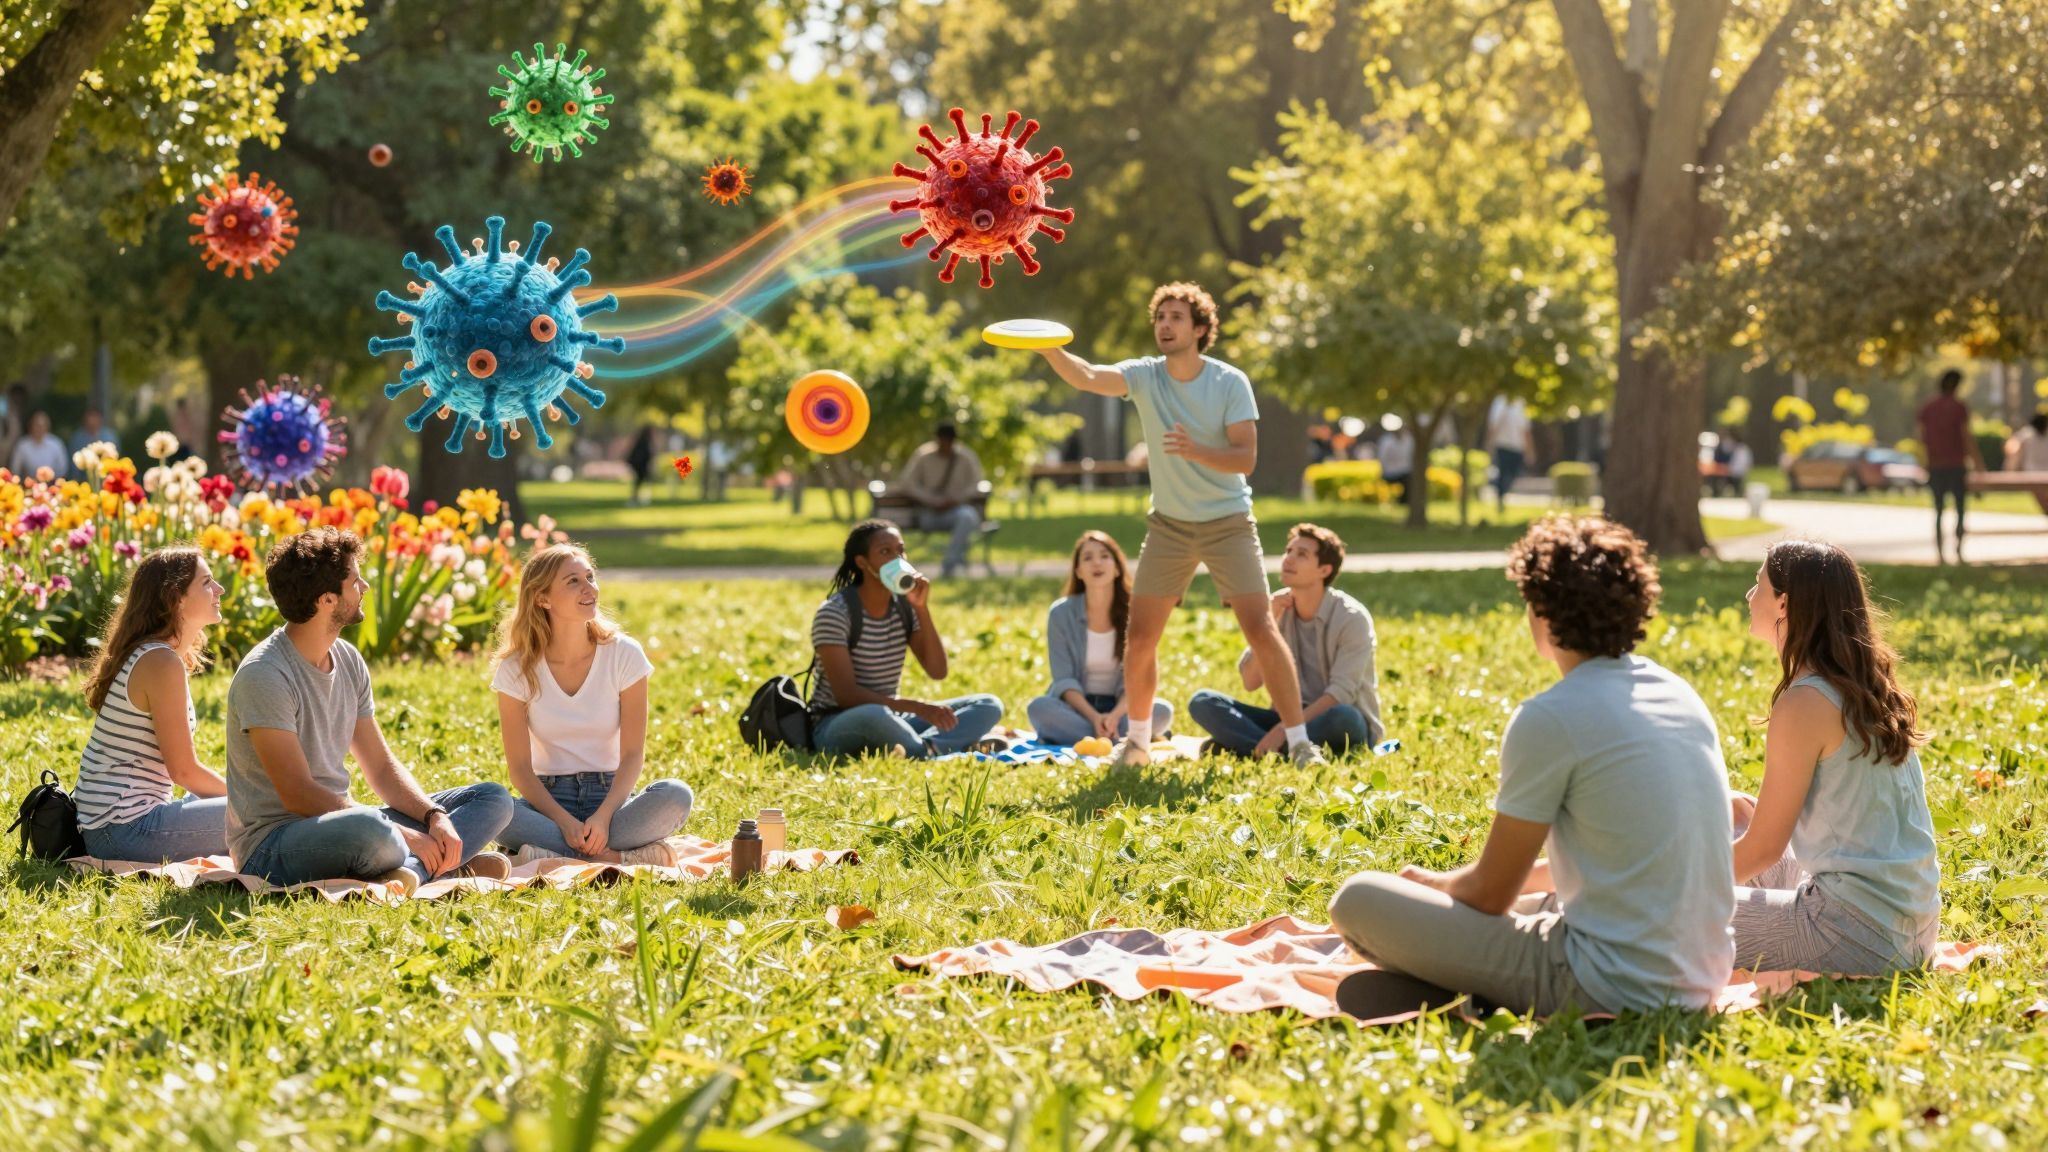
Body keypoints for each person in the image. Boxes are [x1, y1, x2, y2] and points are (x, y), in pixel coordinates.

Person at [1328, 516, 1734, 1016]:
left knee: (1357, 899)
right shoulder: (1678, 692)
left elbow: (1490, 893)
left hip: (1609, 985)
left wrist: (1436, 886)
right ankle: (1467, 995)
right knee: (1519, 909)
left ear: (1542, 612)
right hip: (1702, 978)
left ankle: (1473, 999)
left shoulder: (1551, 717)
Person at [1031, 282, 1323, 767]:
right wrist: (1048, 348)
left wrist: (1195, 451)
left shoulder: (1229, 382)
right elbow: (1085, 376)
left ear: (1200, 329)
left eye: (1175, 318)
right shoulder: (1146, 376)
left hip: (1228, 522)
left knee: (1260, 629)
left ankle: (1300, 744)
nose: (1164, 326)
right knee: (1141, 638)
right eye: (1159, 317)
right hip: (1169, 526)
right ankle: (1139, 743)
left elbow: (1244, 459)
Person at [225, 528, 513, 894]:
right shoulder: (264, 674)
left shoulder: (347, 659)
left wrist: (432, 817)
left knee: (493, 799)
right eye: (355, 580)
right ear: (327, 600)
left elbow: (378, 765)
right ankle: (436, 865)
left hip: (343, 822)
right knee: (374, 832)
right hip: (274, 845)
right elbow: (296, 794)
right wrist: (403, 833)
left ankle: (416, 868)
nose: (365, 587)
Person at [1727, 541, 1940, 975]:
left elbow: (1760, 852)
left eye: (1758, 585)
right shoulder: (1860, 685)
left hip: (1853, 935)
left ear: (1783, 602)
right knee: (1729, 814)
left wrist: (1666, 885)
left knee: (1648, 915)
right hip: (1911, 928)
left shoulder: (1804, 702)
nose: (1751, 596)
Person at [491, 544, 694, 866]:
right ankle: (617, 857)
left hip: (611, 801)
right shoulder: (516, 668)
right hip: (548, 802)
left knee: (676, 795)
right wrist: (564, 822)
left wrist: (602, 818)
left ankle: (554, 856)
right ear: (542, 599)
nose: (590, 588)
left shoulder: (623, 654)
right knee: (494, 807)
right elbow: (519, 770)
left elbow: (631, 755)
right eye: (573, 581)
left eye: (590, 577)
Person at [73, 548, 230, 862]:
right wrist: (252, 802)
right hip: (123, 830)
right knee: (266, 815)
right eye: (206, 582)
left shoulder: (155, 655)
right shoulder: (159, 661)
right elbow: (184, 771)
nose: (219, 590)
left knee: (261, 807)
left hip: (112, 825)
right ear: (177, 598)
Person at [807, 519, 1003, 758]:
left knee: (988, 704)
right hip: (838, 723)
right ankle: (935, 749)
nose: (897, 559)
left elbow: (937, 671)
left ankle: (927, 748)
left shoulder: (904, 608)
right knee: (874, 714)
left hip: (893, 715)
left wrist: (921, 608)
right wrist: (918, 707)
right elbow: (847, 696)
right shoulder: (835, 613)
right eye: (885, 552)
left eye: (900, 550)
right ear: (862, 562)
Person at [1189, 523, 1382, 757]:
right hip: (1287, 717)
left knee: (1345, 718)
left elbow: (1340, 694)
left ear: (1324, 570)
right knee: (1203, 702)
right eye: (1288, 551)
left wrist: (1284, 730)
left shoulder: (1352, 618)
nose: (1288, 559)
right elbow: (1250, 682)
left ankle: (1249, 747)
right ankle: (1277, 751)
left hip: (1337, 720)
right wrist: (1269, 620)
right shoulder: (1277, 610)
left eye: (1301, 554)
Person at [1024, 531, 1174, 746]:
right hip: (1077, 708)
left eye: (1104, 556)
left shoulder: (1136, 612)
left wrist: (1113, 716)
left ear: (1117, 568)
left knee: (1162, 711)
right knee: (1038, 709)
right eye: (1087, 558)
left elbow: (1139, 675)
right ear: (1078, 572)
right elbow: (1063, 679)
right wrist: (1095, 718)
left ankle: (1095, 736)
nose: (1097, 563)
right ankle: (1115, 737)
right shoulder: (1060, 614)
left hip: (1122, 708)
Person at [892, 421, 986, 579]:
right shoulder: (924, 456)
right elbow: (907, 483)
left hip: (956, 511)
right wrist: (930, 500)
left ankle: (949, 565)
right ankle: (955, 560)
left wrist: (956, 499)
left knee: (967, 516)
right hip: (928, 513)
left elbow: (976, 484)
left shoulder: (966, 457)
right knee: (965, 518)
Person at [1915, 369, 1979, 564]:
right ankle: (1958, 552)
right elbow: (1966, 437)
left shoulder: (1928, 408)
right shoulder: (1959, 407)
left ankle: (1941, 555)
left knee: (1939, 510)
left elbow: (1921, 438)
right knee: (1960, 509)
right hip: (1956, 465)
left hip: (1936, 465)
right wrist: (1978, 463)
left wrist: (1925, 461)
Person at [1484, 395, 1534, 514]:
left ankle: (1498, 489)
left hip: (1517, 446)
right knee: (1503, 474)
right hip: (1502, 445)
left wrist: (1529, 450)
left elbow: (1525, 430)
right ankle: (1500, 496)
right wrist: (1489, 444)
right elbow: (1493, 426)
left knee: (1513, 474)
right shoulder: (1499, 402)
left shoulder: (1521, 403)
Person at [9, 410, 69, 477]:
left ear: (47, 427)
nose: (39, 429)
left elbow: (62, 470)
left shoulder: (56, 444)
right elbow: (15, 470)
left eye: (42, 425)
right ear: (30, 426)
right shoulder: (22, 445)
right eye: (36, 425)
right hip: (28, 485)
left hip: (52, 485)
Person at [1377, 420, 1415, 506]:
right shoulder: (1387, 441)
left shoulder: (1408, 440)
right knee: (1407, 479)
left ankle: (1405, 502)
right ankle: (1403, 502)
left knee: (1410, 479)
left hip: (1405, 471)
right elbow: (1382, 458)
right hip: (1390, 473)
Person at [625, 424, 656, 506]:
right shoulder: (644, 441)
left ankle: (638, 498)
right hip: (640, 465)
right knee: (641, 482)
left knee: (640, 482)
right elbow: (646, 454)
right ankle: (639, 499)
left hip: (639, 465)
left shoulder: (642, 440)